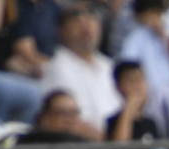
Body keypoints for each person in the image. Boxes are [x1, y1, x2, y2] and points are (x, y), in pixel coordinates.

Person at [41, 4, 120, 138]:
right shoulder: (57, 67)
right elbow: (68, 121)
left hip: (119, 144)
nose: (86, 25)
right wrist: (109, 145)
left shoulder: (109, 66)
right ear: (62, 30)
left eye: (91, 18)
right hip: (83, 148)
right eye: (76, 19)